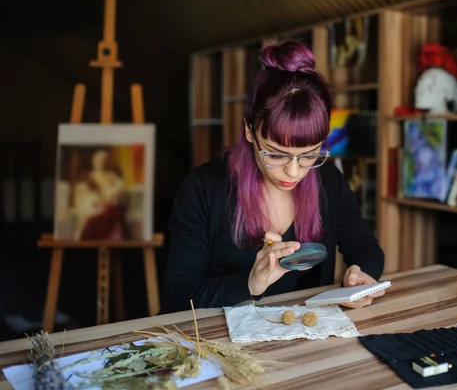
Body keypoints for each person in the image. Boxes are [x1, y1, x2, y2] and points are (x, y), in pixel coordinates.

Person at [163, 40, 385, 313]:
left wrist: (359, 276)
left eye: (309, 155)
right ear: (249, 131)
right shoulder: (203, 188)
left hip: (304, 338)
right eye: (276, 155)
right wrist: (250, 284)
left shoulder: (328, 181)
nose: (294, 171)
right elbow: (177, 290)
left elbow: (367, 250)